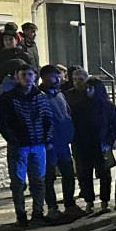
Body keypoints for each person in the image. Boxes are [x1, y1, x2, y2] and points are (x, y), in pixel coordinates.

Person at [0, 63, 52, 226]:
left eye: (30, 74)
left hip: (38, 144)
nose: (27, 78)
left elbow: (48, 118)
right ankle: (21, 215)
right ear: (17, 77)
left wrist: (47, 139)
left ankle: (38, 213)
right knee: (18, 182)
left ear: (35, 77)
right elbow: (2, 122)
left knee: (38, 180)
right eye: (23, 75)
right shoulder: (7, 98)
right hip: (19, 146)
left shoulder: (41, 96)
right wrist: (13, 139)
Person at [71, 77, 116, 214]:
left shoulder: (107, 106)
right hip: (83, 145)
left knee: (104, 174)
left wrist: (109, 140)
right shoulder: (79, 106)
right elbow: (74, 125)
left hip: (102, 145)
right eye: (86, 88)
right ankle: (89, 201)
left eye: (91, 88)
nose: (87, 91)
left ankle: (105, 201)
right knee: (85, 174)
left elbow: (115, 124)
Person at [38, 65, 78, 219]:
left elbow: (67, 114)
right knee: (49, 177)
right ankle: (52, 208)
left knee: (68, 174)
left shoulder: (59, 94)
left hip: (63, 142)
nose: (58, 80)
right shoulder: (40, 96)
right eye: (54, 77)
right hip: (50, 143)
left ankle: (70, 205)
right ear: (44, 78)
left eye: (59, 77)